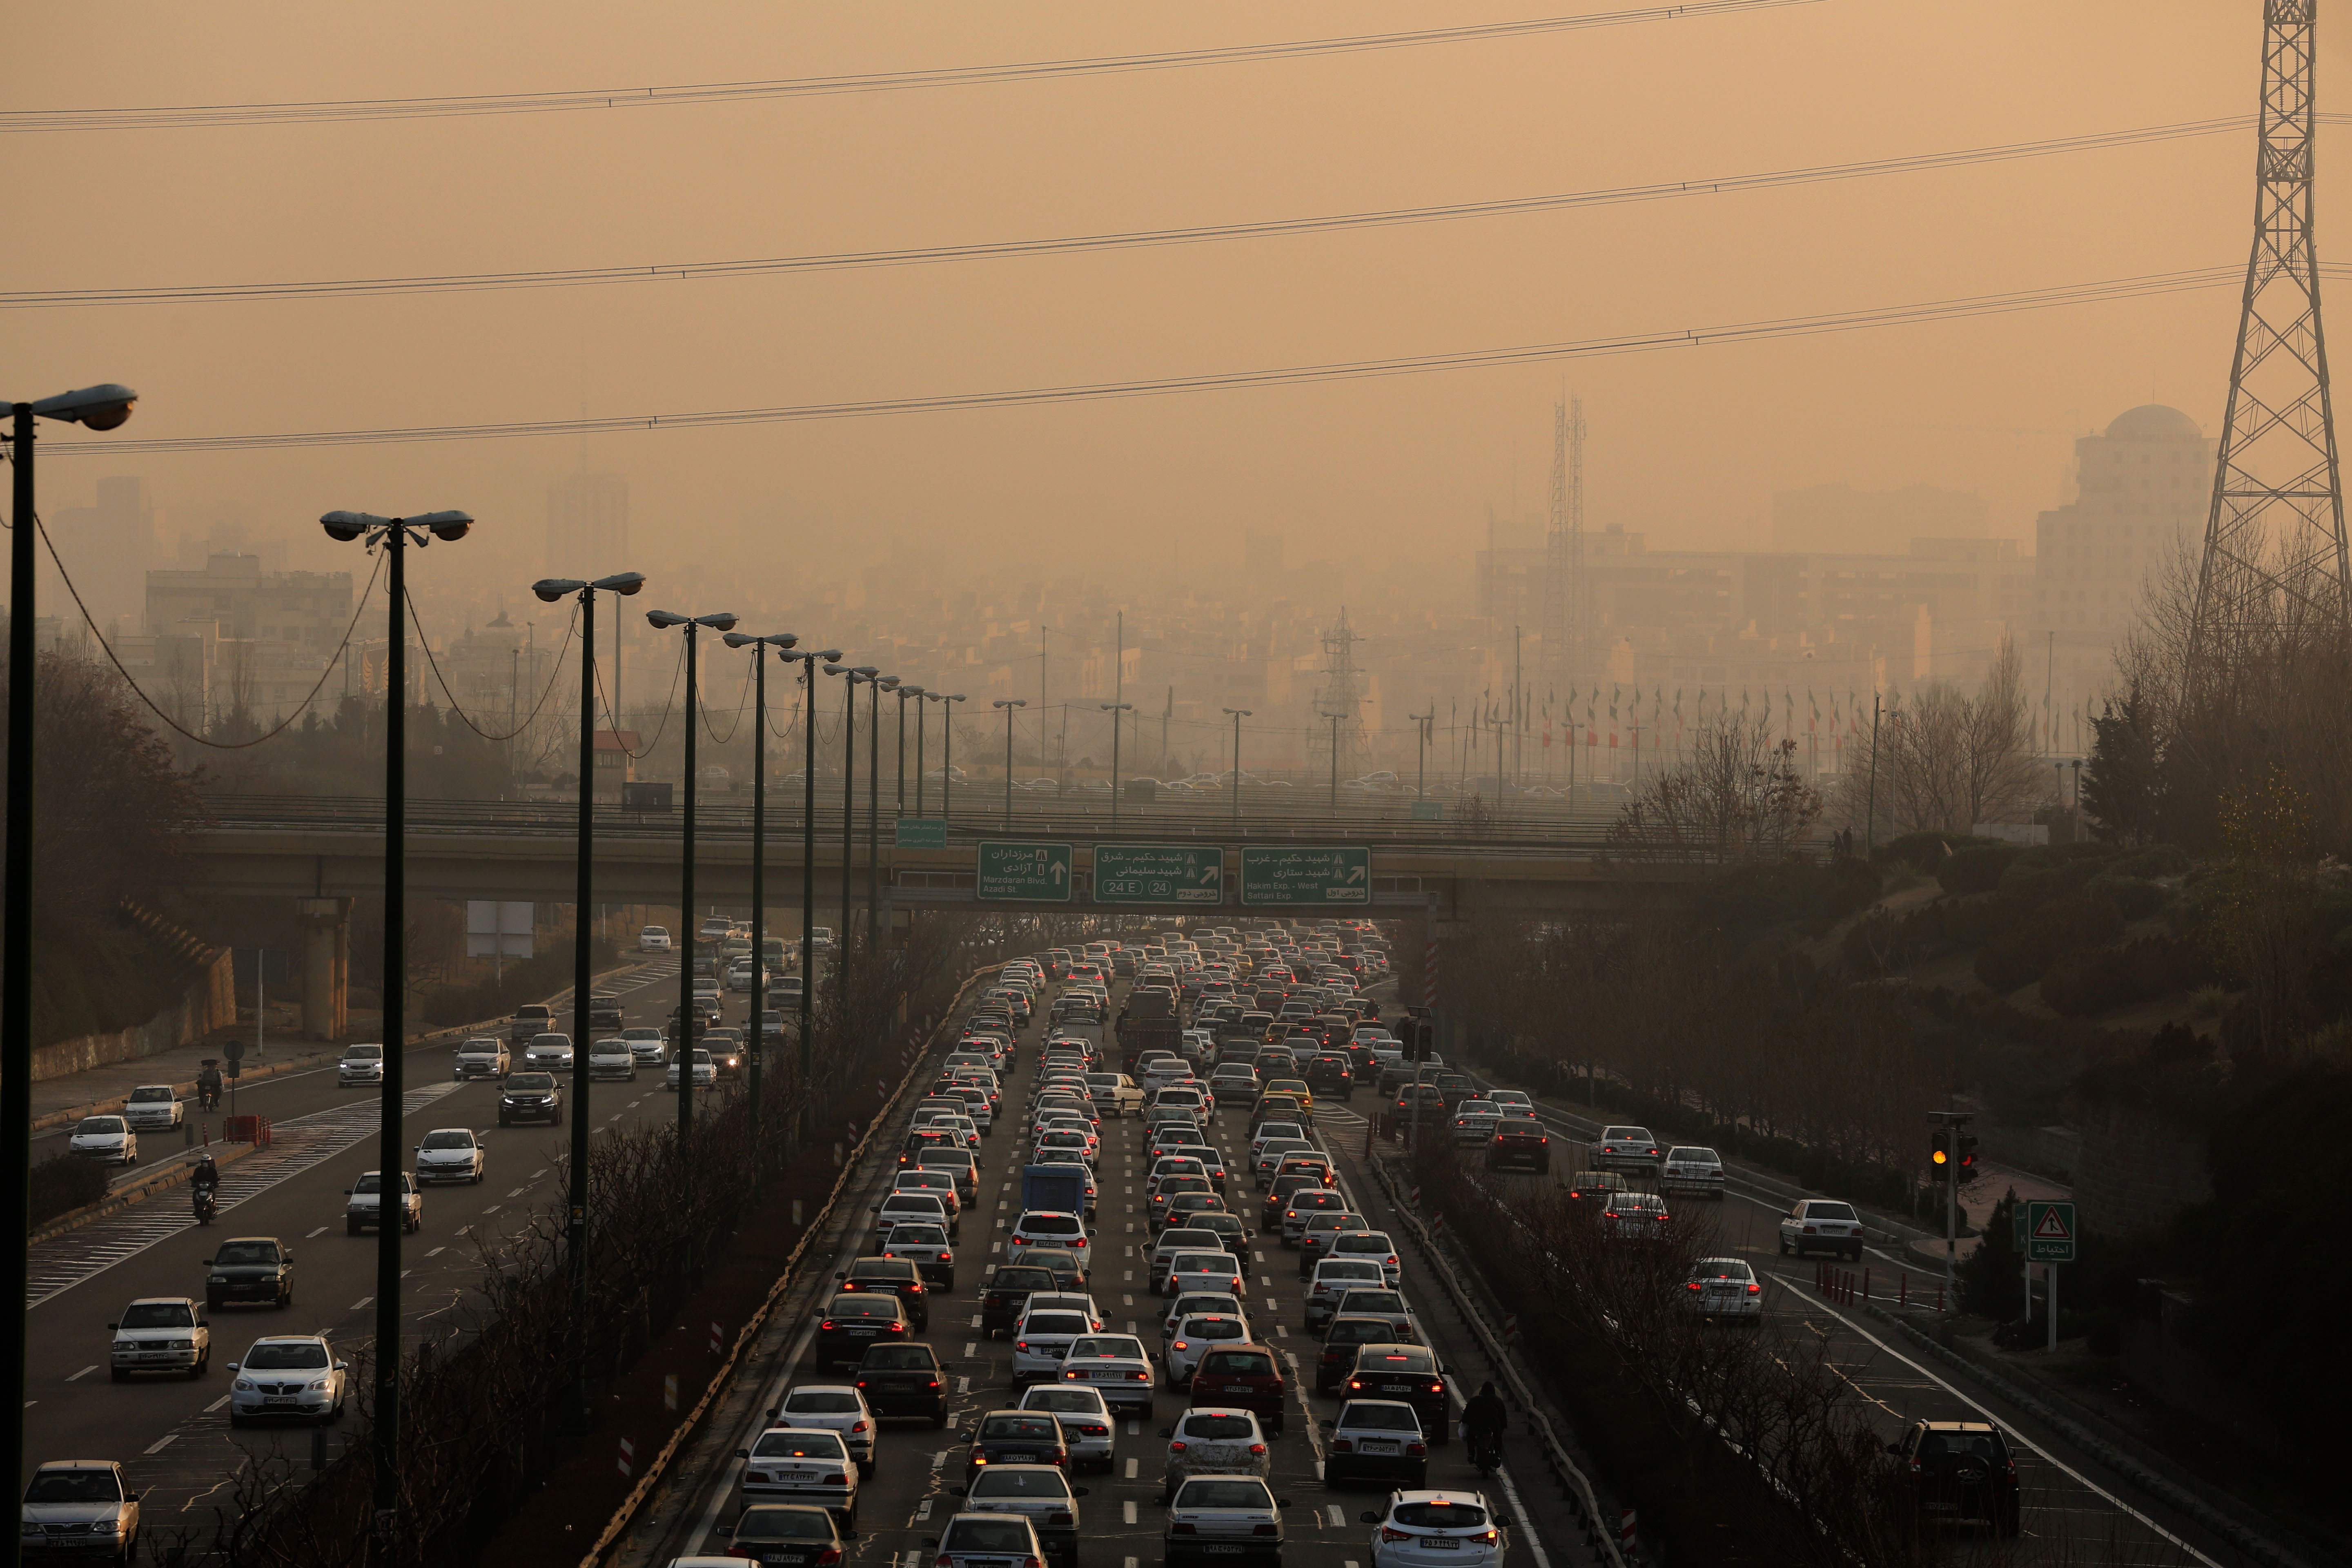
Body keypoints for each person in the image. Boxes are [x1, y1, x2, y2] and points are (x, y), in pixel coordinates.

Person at [1461, 1381, 1508, 1467]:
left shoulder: (1474, 1401)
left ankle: (1471, 1453)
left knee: (1470, 1436)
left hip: (1477, 1426)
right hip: (1493, 1426)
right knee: (1498, 1438)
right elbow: (1503, 1418)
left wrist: (1465, 1422)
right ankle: (1498, 1454)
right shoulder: (1498, 1401)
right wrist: (1502, 1426)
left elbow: (1466, 1416)